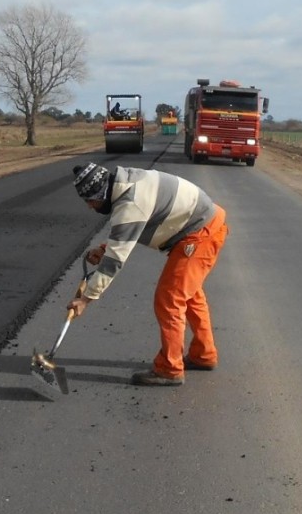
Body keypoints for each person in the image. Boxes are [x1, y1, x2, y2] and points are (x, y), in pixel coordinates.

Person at [67, 162, 229, 386]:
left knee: (169, 299)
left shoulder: (130, 203)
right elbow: (132, 230)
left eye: (90, 201)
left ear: (101, 193)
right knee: (190, 295)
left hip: (199, 234)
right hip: (206, 224)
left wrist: (86, 299)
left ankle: (170, 369)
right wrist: (105, 249)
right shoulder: (128, 182)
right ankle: (204, 354)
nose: (90, 207)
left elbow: (115, 260)